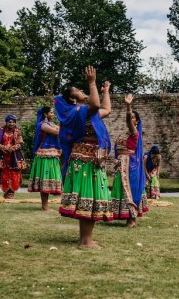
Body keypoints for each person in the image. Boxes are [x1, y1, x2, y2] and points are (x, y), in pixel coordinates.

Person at [55, 66, 113, 249]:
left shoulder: (84, 112)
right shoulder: (77, 112)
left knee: (85, 198)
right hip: (86, 160)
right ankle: (87, 241)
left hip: (86, 159)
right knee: (89, 196)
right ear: (72, 98)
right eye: (77, 90)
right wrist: (91, 83)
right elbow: (96, 106)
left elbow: (106, 109)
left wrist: (105, 92)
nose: (81, 91)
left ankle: (84, 238)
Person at [110, 94, 148, 227]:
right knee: (122, 190)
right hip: (122, 164)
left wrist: (128, 106)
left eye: (133, 117)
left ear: (136, 121)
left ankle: (132, 219)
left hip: (130, 165)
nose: (131, 119)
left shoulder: (134, 132)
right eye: (130, 116)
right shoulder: (123, 134)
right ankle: (125, 215)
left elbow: (127, 120)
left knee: (131, 190)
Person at [28, 106, 62, 210]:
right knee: (44, 180)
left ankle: (46, 205)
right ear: (45, 114)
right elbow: (57, 132)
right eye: (51, 113)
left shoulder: (50, 124)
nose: (53, 114)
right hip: (44, 154)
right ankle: (44, 206)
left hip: (52, 154)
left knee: (50, 180)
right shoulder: (43, 125)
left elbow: (59, 129)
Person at [0, 114, 27, 199]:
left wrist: (12, 148)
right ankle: (6, 191)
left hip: (14, 157)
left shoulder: (17, 131)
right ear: (6, 122)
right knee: (2, 174)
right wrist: (4, 147)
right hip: (3, 156)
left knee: (14, 174)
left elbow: (20, 144)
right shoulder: (1, 131)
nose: (11, 124)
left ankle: (11, 192)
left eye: (13, 122)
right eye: (9, 122)